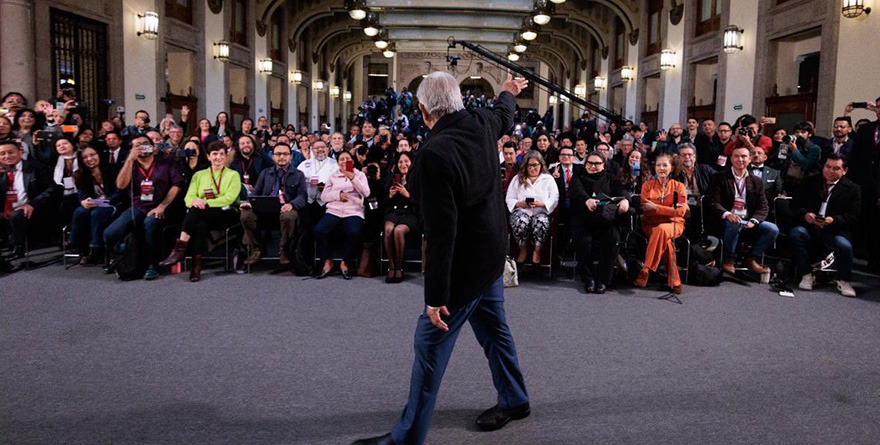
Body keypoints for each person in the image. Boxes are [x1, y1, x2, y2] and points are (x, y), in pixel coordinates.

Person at [353, 73, 531, 445]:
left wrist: (435, 298)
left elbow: (441, 234)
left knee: (430, 345)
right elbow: (504, 112)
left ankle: (406, 438)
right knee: (495, 332)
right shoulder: (482, 122)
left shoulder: (434, 154)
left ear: (422, 110)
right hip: (492, 255)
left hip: (465, 267)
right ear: (460, 101)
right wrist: (508, 91)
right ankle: (514, 399)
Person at [103, 135, 183, 280]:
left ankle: (153, 265)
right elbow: (120, 185)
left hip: (161, 206)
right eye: (137, 145)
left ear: (153, 148)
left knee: (150, 223)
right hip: (138, 206)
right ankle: (120, 259)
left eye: (145, 144)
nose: (141, 147)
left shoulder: (166, 163)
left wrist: (162, 206)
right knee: (110, 233)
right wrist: (129, 159)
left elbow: (177, 185)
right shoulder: (130, 165)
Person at [159, 141, 241, 282]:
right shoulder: (199, 175)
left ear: (226, 156)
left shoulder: (233, 175)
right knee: (200, 223)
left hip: (226, 212)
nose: (218, 157)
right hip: (202, 214)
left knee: (196, 212)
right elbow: (188, 197)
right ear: (208, 157)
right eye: (215, 154)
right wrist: (195, 202)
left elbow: (229, 198)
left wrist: (204, 202)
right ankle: (196, 266)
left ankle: (179, 249)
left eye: (222, 154)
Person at [789, 154, 861, 297]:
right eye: (827, 167)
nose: (830, 171)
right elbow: (794, 204)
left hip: (834, 229)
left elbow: (854, 217)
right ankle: (806, 274)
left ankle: (844, 280)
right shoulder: (810, 182)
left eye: (836, 168)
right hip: (810, 226)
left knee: (844, 245)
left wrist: (833, 220)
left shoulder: (853, 189)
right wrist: (805, 214)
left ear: (844, 170)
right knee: (796, 233)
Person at [708, 146, 779, 274]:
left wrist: (754, 220)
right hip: (725, 221)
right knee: (734, 224)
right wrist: (728, 214)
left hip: (748, 220)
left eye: (744, 156)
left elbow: (763, 206)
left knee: (772, 229)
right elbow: (713, 202)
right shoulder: (719, 177)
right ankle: (729, 259)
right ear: (731, 159)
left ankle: (751, 258)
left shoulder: (756, 181)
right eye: (736, 156)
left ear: (750, 159)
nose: (740, 159)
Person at [239, 142, 308, 268]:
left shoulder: (298, 174)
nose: (281, 157)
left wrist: (292, 204)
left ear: (291, 156)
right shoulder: (265, 173)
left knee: (289, 216)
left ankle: (284, 250)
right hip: (265, 210)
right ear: (273, 156)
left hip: (285, 209)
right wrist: (249, 203)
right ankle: (257, 249)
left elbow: (302, 196)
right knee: (246, 215)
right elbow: (255, 193)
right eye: (278, 154)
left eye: (285, 154)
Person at [569, 152, 630, 293]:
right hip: (583, 219)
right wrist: (587, 199)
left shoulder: (611, 178)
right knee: (583, 241)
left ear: (604, 165)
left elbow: (622, 191)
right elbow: (576, 191)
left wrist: (625, 200)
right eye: (590, 163)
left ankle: (603, 280)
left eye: (597, 163)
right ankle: (588, 278)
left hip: (606, 220)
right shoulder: (578, 176)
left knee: (612, 239)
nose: (593, 166)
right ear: (585, 164)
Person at [633, 153, 688, 294]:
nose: (661, 168)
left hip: (674, 224)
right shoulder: (647, 186)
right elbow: (646, 211)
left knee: (662, 229)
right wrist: (668, 209)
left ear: (672, 167)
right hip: (651, 225)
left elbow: (680, 212)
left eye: (665, 165)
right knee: (666, 241)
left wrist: (656, 207)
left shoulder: (679, 186)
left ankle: (646, 268)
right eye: (658, 165)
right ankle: (674, 280)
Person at [313, 151, 370, 280]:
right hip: (334, 210)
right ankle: (327, 261)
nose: (344, 161)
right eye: (341, 159)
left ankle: (345, 262)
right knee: (319, 230)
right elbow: (324, 196)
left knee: (353, 231)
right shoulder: (333, 176)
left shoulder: (360, 175)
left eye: (347, 159)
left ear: (352, 161)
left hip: (354, 210)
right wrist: (337, 195)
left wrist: (352, 178)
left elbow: (366, 193)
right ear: (338, 163)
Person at [0, 140, 57, 260]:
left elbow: (51, 189)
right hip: (5, 209)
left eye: (11, 152)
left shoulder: (36, 167)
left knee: (16, 215)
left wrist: (32, 204)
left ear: (20, 152)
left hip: (31, 209)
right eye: (2, 154)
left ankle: (18, 248)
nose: (7, 156)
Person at [69, 146, 125, 265]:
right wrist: (84, 201)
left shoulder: (113, 169)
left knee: (97, 212)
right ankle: (79, 246)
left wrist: (102, 202)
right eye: (85, 157)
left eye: (92, 155)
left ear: (99, 155)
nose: (90, 159)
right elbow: (82, 195)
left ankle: (96, 248)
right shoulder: (79, 175)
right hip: (94, 204)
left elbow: (119, 192)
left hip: (113, 204)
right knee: (80, 211)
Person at [505, 150, 559, 265]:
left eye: (535, 165)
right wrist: (520, 203)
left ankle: (537, 250)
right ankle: (523, 250)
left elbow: (554, 198)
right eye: (530, 165)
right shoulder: (517, 178)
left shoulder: (548, 179)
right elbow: (509, 198)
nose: (532, 168)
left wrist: (541, 203)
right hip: (522, 211)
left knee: (540, 222)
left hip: (541, 211)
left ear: (541, 165)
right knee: (521, 221)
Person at [382, 152, 418, 283]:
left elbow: (422, 202)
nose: (403, 164)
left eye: (406, 161)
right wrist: (390, 196)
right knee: (388, 229)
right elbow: (383, 203)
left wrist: (407, 195)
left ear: (412, 163)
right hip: (394, 212)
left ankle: (400, 267)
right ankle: (391, 266)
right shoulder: (392, 179)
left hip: (411, 214)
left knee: (398, 231)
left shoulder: (417, 179)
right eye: (400, 162)